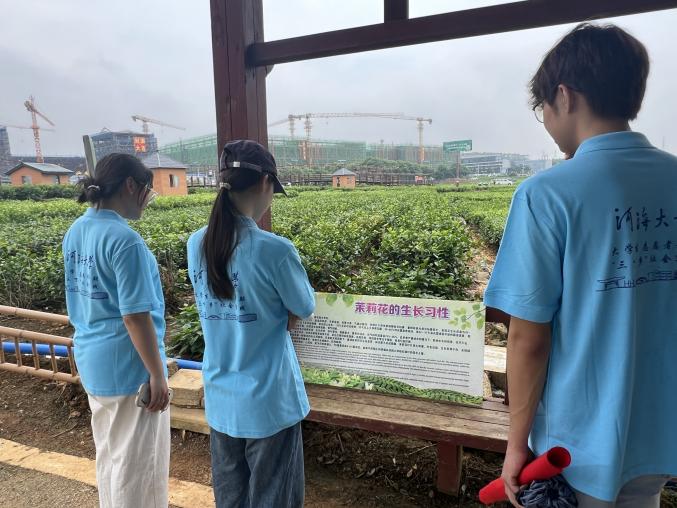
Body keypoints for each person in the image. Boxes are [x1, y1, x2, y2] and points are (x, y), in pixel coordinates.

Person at [484, 23, 677, 507]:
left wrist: (515, 446)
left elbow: (528, 339)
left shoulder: (546, 195)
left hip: (576, 448)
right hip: (661, 433)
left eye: (543, 108)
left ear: (564, 97)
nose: (546, 120)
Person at [187, 140, 315, 508]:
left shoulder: (197, 243)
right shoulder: (275, 250)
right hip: (270, 403)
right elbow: (303, 306)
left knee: (231, 500)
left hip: (221, 399)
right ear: (265, 183)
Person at [63, 153, 170, 508]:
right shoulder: (126, 241)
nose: (148, 199)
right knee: (138, 471)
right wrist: (157, 374)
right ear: (130, 185)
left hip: (93, 361)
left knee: (111, 458)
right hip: (129, 368)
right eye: (147, 190)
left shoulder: (76, 231)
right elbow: (135, 317)